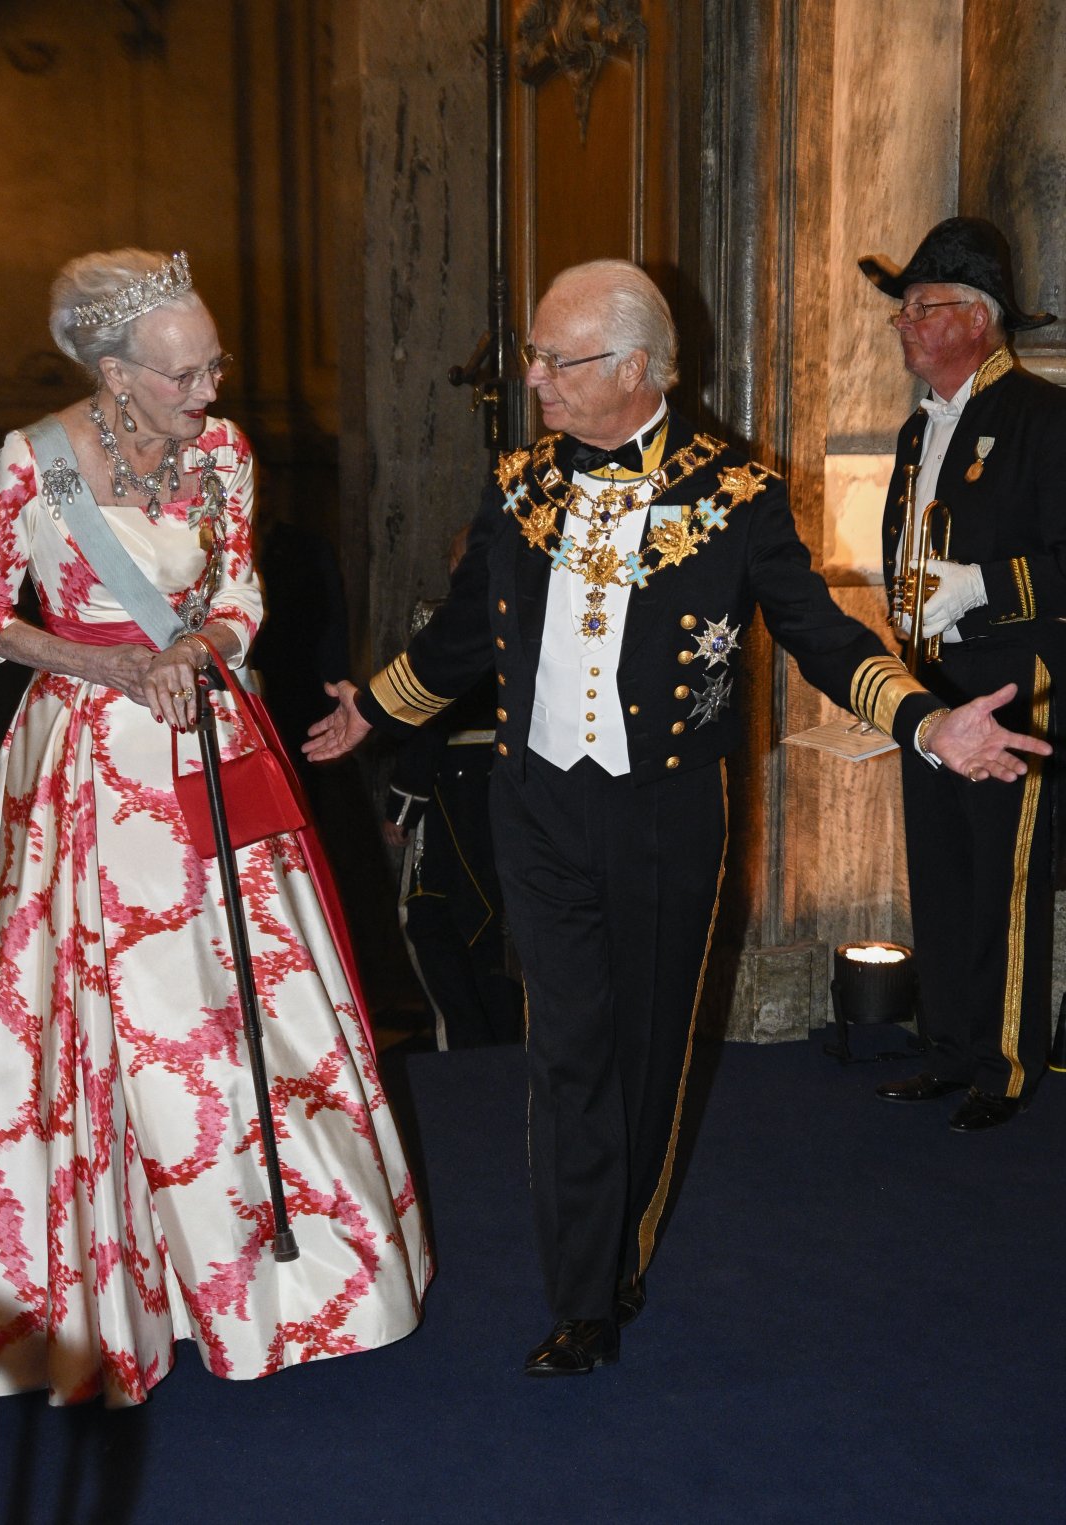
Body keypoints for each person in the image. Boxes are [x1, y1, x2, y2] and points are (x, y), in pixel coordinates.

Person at [305, 258, 1049, 1377]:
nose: (537, 379)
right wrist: (376, 704)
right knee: (567, 1048)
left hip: (663, 815)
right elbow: (464, 635)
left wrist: (928, 724)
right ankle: (581, 1294)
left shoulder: (736, 496)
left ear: (637, 367)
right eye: (536, 357)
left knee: (647, 1049)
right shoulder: (520, 483)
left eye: (560, 360)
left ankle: (623, 1245)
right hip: (537, 808)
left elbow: (822, 636)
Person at [0, 248, 428, 1406]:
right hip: (85, 758)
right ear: (114, 373)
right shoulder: (39, 462)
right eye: (183, 376)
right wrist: (102, 661)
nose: (209, 393)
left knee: (241, 1001)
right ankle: (100, 1287)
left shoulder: (222, 453)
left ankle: (280, 1278)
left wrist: (195, 648)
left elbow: (242, 597)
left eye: (213, 365)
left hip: (209, 749)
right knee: (94, 1008)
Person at [859, 216, 1066, 1131]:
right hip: (932, 688)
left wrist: (983, 585)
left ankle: (1005, 1063)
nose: (903, 324)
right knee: (939, 872)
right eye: (902, 310)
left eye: (921, 307)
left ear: (978, 319)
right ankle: (946, 1044)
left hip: (1015, 690)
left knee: (1002, 882)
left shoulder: (1042, 417)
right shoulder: (917, 430)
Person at [383, 529, 521, 1049]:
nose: (452, 566)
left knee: (432, 915)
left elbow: (427, 710)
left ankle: (468, 1044)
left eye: (458, 556)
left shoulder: (440, 616)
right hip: (517, 782)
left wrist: (403, 800)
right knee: (493, 917)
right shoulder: (530, 607)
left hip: (453, 788)